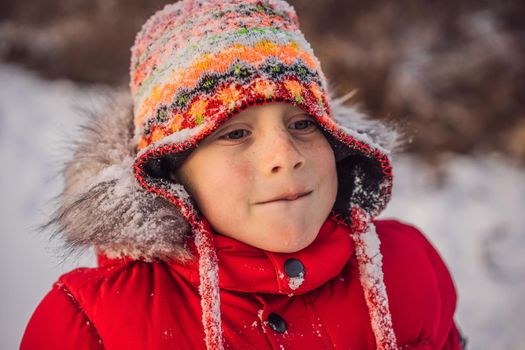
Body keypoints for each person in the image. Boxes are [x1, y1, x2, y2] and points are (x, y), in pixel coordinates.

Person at [21, 0, 467, 349]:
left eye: (302, 123)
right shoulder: (92, 324)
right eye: (235, 133)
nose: (285, 156)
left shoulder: (406, 267)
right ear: (169, 171)